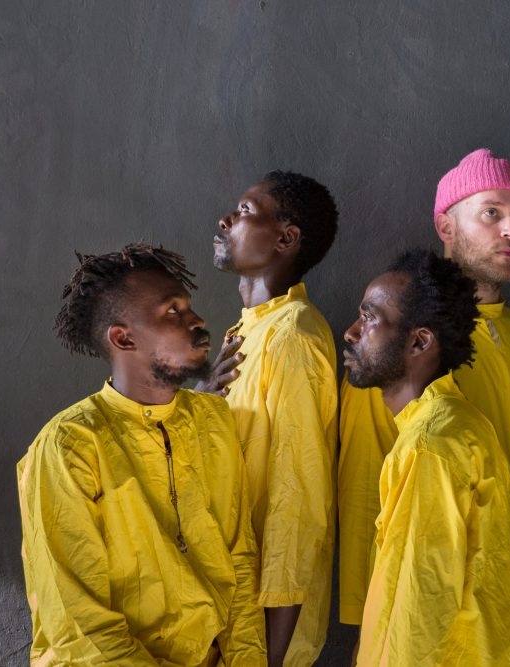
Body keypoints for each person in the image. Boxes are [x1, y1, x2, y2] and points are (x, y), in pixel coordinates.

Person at [338, 149, 510, 632]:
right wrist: (366, 624)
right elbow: (363, 491)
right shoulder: (392, 344)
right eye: (491, 213)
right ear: (446, 226)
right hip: (429, 619)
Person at [17, 242, 266, 666]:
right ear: (123, 337)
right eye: (173, 311)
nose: (197, 320)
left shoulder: (213, 421)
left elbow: (239, 562)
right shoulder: (69, 445)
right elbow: (79, 624)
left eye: (189, 306)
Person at [345, 250, 510, 666]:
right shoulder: (454, 424)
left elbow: (419, 618)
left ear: (420, 341)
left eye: (369, 318)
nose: (351, 332)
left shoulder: (430, 448)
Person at [202, 171, 338, 666]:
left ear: (286, 238)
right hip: (223, 614)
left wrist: (268, 656)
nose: (225, 220)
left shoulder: (292, 338)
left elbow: (296, 505)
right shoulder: (251, 330)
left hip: (258, 635)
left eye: (243, 212)